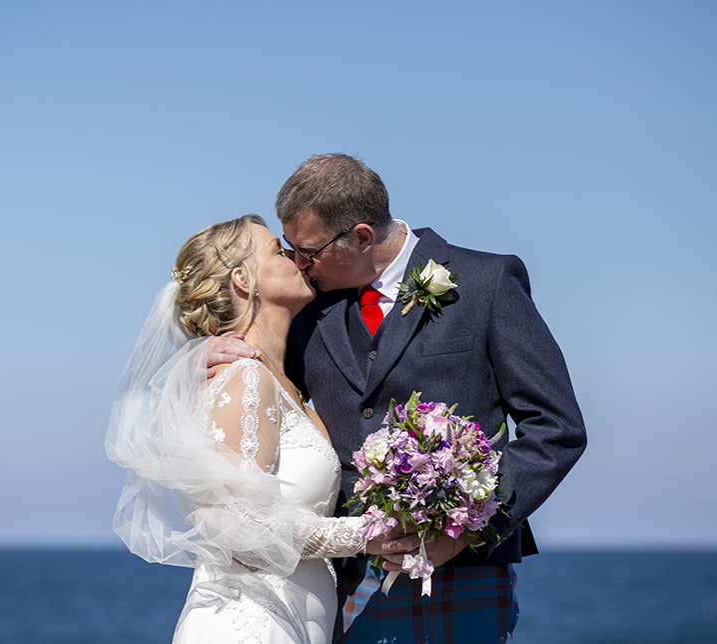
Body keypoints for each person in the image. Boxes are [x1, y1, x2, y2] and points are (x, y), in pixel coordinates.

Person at [209, 155, 587, 643]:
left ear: (362, 237)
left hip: (460, 575)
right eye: (292, 251)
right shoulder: (307, 306)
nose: (300, 265)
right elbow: (267, 382)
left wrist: (465, 529)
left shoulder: (486, 283)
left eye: (309, 251)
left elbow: (557, 429)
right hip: (338, 579)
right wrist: (208, 351)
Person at [106, 214, 399, 644]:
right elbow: (234, 527)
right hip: (252, 623)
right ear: (243, 280)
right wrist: (366, 534)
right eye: (280, 251)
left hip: (298, 621)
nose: (299, 259)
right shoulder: (245, 378)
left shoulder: (286, 384)